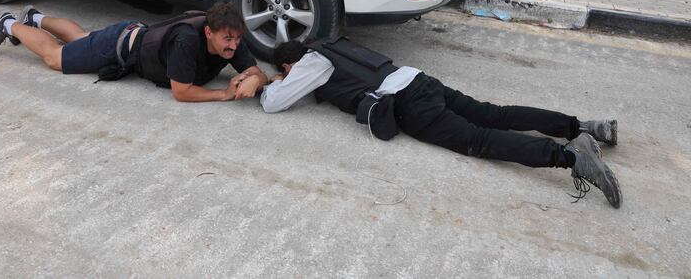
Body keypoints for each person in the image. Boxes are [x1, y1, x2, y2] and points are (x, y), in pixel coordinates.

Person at [262, 37, 622, 208]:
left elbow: (275, 104)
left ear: (289, 65)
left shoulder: (307, 64)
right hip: (419, 79)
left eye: (287, 72)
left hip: (410, 104)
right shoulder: (331, 44)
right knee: (494, 114)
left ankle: (574, 159)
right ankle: (586, 127)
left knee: (479, 140)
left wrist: (273, 83)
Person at [0, 0, 268, 102]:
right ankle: (8, 25)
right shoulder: (187, 41)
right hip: (118, 48)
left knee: (81, 38)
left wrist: (256, 78)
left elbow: (257, 71)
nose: (233, 45)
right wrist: (224, 94)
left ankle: (35, 19)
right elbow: (182, 92)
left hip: (132, 34)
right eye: (227, 39)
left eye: (237, 40)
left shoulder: (232, 41)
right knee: (56, 58)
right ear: (209, 32)